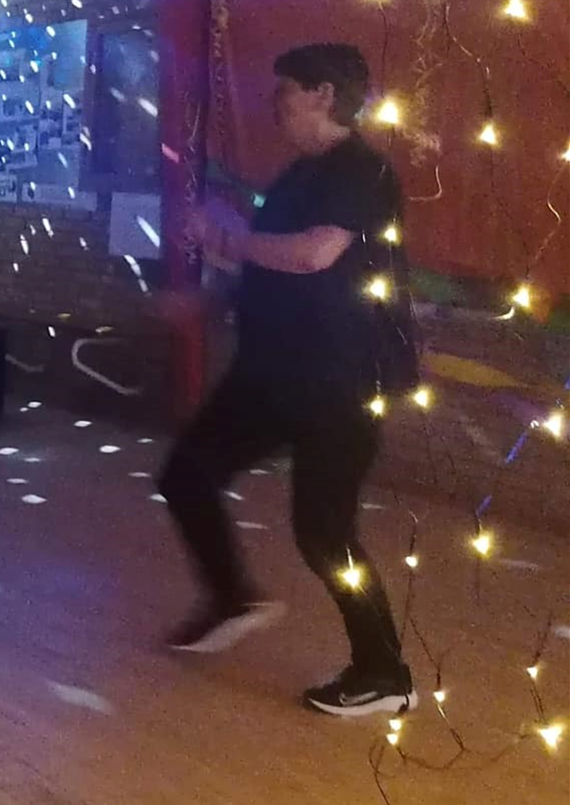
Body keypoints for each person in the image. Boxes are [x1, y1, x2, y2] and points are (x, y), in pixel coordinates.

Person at [161, 43, 417, 717]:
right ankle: (232, 597)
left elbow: (312, 255)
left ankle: (384, 672)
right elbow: (269, 266)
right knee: (186, 473)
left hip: (343, 376)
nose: (274, 103)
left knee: (323, 530)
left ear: (323, 95)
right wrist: (208, 298)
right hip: (273, 371)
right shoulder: (297, 176)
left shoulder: (362, 170)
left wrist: (225, 239)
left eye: (285, 91)